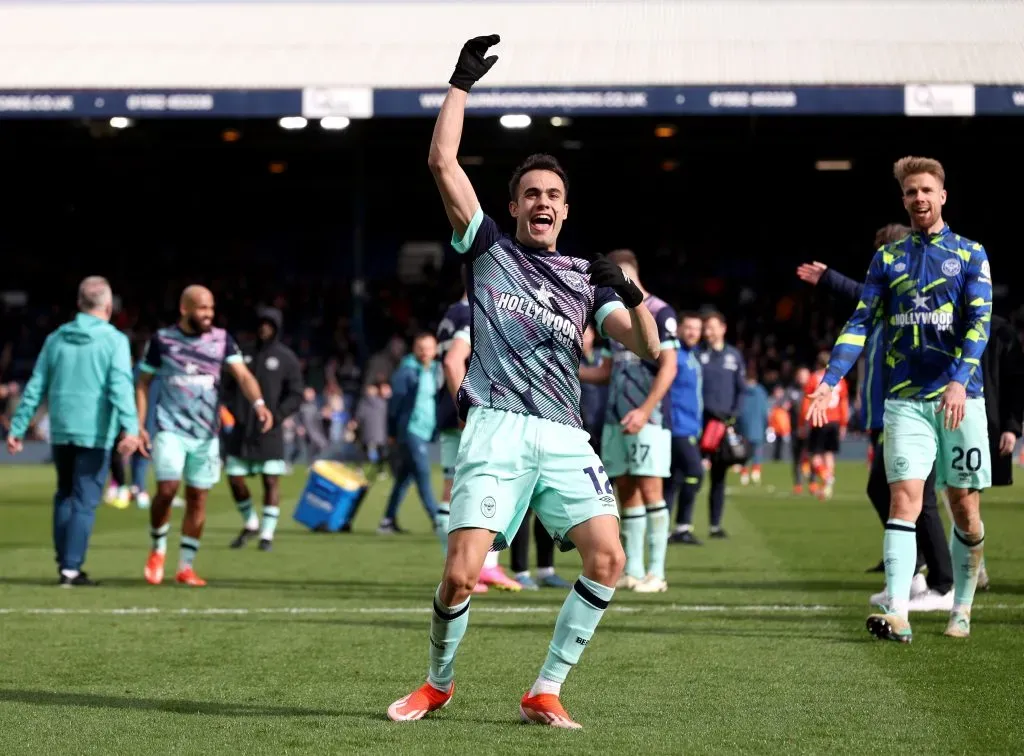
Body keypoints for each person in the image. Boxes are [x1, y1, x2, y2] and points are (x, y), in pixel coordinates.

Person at [387, 34, 660, 729]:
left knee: (608, 558)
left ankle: (545, 689)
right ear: (513, 207)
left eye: (555, 196)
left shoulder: (582, 278)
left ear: (566, 211)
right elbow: (441, 161)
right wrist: (460, 84)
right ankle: (438, 682)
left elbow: (647, 346)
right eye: (532, 193)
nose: (543, 201)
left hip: (565, 434)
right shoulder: (489, 252)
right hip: (496, 427)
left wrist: (627, 295)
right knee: (458, 574)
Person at [806, 156, 992, 641]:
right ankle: (899, 612)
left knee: (964, 507)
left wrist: (958, 378)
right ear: (903, 199)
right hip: (905, 399)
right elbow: (861, 321)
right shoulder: (887, 259)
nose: (919, 199)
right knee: (903, 498)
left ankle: (962, 607)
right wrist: (831, 380)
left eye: (927, 190)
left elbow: (979, 324)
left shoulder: (971, 254)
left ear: (943, 195)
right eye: (911, 192)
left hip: (960, 398)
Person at [796, 223, 953, 609]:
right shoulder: (886, 301)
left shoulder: (908, 293)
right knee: (896, 493)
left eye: (882, 252)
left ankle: (943, 583)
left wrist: (831, 278)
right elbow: (864, 297)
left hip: (910, 407)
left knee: (916, 496)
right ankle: (914, 575)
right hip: (888, 412)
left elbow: (863, 293)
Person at [6, 276, 141, 586]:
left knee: (64, 494)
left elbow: (36, 384)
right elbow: (121, 386)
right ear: (108, 306)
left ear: (79, 304)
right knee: (84, 499)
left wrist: (17, 425)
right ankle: (71, 568)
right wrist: (130, 429)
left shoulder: (56, 338)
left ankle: (64, 562)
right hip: (94, 433)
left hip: (63, 430)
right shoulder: (114, 340)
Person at [138, 285, 272, 587]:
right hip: (170, 428)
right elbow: (143, 382)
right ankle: (158, 548)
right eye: (202, 308)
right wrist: (139, 424)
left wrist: (259, 404)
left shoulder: (221, 340)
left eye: (211, 308)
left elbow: (244, 376)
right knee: (168, 489)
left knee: (198, 498)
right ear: (184, 309)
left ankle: (185, 566)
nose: (208, 314)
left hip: (206, 434)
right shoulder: (162, 341)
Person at [580, 249, 678, 592]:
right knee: (626, 492)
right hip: (614, 418)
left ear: (630, 275)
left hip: (648, 419)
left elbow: (669, 366)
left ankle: (658, 573)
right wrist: (569, 370)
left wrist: (646, 409)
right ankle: (634, 570)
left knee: (652, 491)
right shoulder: (614, 318)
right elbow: (606, 370)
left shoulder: (660, 311)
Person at [436, 289, 519, 592]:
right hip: (468, 411)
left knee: (454, 485)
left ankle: (461, 565)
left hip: (446, 408)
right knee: (486, 484)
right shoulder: (470, 312)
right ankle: (480, 567)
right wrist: (466, 405)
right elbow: (453, 362)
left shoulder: (450, 313)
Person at [224, 306, 304, 551]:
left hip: (270, 431)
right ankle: (250, 523)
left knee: (270, 481)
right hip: (241, 430)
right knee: (235, 479)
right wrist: (231, 411)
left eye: (269, 324)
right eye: (261, 323)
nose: (264, 328)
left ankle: (267, 534)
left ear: (277, 328)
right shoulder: (241, 354)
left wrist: (277, 416)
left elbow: (296, 394)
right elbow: (225, 386)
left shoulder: (286, 358)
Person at [378, 332, 444, 536]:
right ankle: (437, 520)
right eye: (420, 348)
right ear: (414, 349)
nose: (425, 352)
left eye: (429, 348)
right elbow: (394, 406)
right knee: (423, 473)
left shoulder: (436, 371)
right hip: (410, 431)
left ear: (435, 350)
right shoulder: (406, 372)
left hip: (425, 431)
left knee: (405, 478)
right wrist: (391, 431)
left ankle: (387, 521)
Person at [693, 311, 744, 538]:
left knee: (719, 478)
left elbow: (741, 389)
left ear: (723, 328)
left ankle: (715, 525)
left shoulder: (734, 356)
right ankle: (683, 524)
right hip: (699, 423)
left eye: (712, 327)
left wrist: (733, 415)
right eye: (706, 328)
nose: (708, 332)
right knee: (691, 474)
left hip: (723, 426)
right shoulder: (696, 354)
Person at [667, 312, 706, 545]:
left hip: (690, 427)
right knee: (695, 473)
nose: (693, 332)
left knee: (674, 479)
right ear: (680, 329)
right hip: (677, 427)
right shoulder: (675, 355)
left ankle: (668, 528)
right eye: (689, 327)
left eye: (697, 329)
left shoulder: (692, 356)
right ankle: (681, 526)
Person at [799, 352, 849, 500]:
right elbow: (844, 403)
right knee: (829, 453)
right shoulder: (840, 381)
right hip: (835, 421)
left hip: (819, 418)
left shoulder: (814, 378)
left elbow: (807, 400)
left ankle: (825, 476)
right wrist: (844, 423)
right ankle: (827, 487)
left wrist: (803, 422)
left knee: (814, 454)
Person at [737, 371, 770, 486]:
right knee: (757, 451)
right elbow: (765, 412)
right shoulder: (761, 392)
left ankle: (744, 473)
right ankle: (756, 473)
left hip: (743, 427)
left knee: (744, 452)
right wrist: (766, 425)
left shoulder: (741, 391)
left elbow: (738, 410)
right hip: (758, 427)